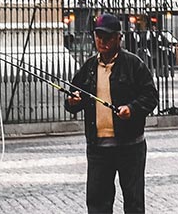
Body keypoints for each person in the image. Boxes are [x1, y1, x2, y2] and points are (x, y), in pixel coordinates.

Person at [63, 13, 158, 214]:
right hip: (98, 147)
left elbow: (150, 97)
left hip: (130, 146)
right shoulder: (89, 67)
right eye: (98, 36)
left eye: (107, 37)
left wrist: (131, 109)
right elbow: (73, 97)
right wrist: (72, 102)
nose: (102, 41)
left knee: (133, 203)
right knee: (97, 204)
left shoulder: (133, 64)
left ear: (118, 38)